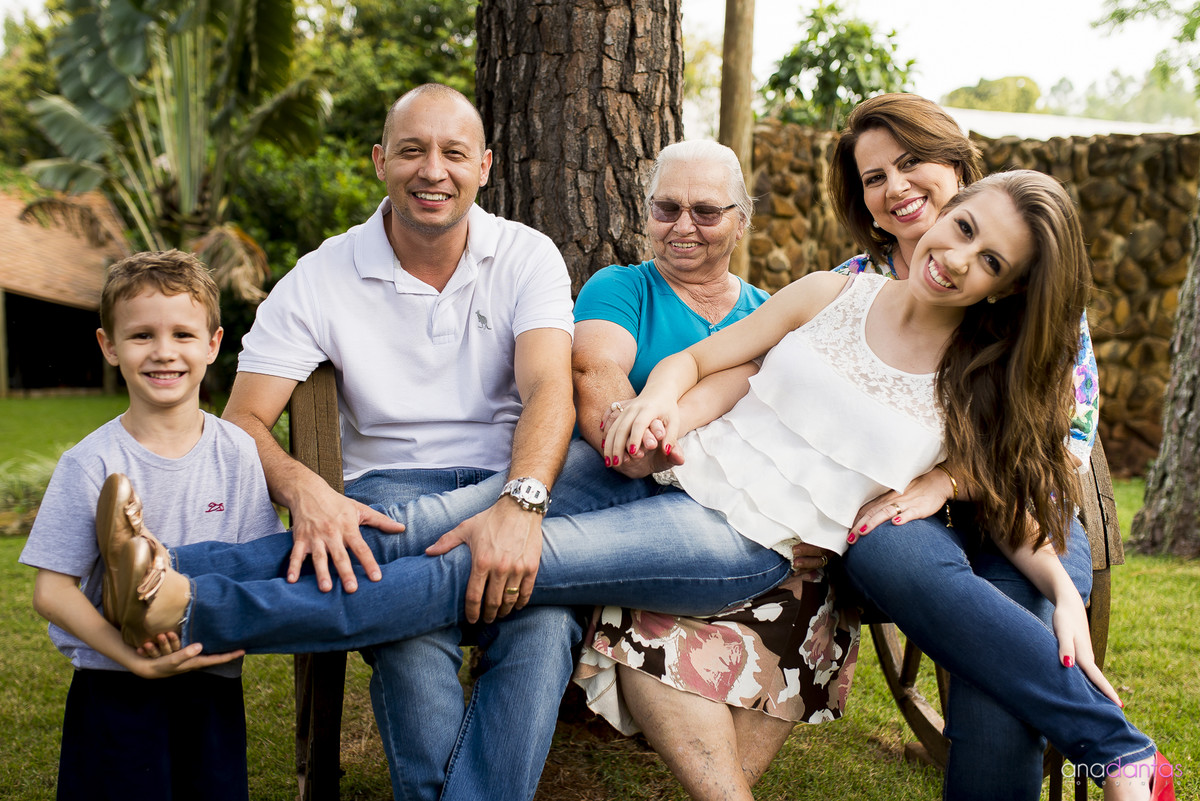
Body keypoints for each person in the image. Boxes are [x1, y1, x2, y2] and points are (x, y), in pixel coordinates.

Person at [107, 171, 1171, 801]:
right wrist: (660, 405)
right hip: (666, 466)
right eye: (966, 227)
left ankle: (187, 604)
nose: (958, 256)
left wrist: (1053, 583)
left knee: (471, 558)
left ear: (1007, 292)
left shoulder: (977, 382)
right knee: (423, 519)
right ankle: (167, 571)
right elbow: (709, 360)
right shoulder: (832, 294)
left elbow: (1018, 497)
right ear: (946, 208)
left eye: (991, 263)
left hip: (733, 540)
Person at [217, 82, 629, 801]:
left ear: (485, 167)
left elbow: (548, 388)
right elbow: (242, 420)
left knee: (540, 631)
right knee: (409, 642)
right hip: (391, 504)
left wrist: (520, 505)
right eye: (412, 150)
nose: (432, 170)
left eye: (453, 153)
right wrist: (306, 488)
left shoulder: (525, 256)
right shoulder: (320, 277)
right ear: (381, 161)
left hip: (507, 487)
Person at [827, 92, 1101, 801]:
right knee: (977, 621)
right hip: (904, 517)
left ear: (958, 167)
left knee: (1009, 652)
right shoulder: (852, 290)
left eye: (911, 162)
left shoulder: (1033, 286)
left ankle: (1109, 751)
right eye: (874, 177)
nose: (895, 187)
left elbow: (1067, 437)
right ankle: (1117, 748)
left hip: (1020, 504)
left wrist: (951, 477)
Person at [569, 138, 836, 794]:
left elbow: (803, 437)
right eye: (667, 208)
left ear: (742, 221)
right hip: (636, 499)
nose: (682, 226)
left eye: (707, 212)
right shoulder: (624, 287)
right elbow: (597, 372)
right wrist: (632, 439)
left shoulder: (769, 314)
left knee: (811, 593)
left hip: (748, 519)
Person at [18, 251, 282, 800]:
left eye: (183, 334)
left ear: (213, 344)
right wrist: (131, 658)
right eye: (141, 336)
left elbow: (257, 564)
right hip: (113, 687)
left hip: (210, 677)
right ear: (109, 346)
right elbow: (51, 590)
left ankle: (164, 582)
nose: (164, 351)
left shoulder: (236, 451)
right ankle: (137, 591)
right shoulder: (91, 462)